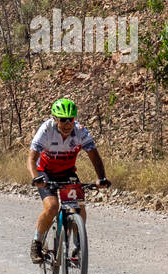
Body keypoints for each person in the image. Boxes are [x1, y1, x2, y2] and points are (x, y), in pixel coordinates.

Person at [27, 98, 110, 263]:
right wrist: (36, 177)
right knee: (52, 207)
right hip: (45, 173)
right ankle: (37, 242)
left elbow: (94, 155)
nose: (67, 123)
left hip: (67, 172)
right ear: (54, 119)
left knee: (79, 206)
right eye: (62, 119)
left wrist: (101, 178)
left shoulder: (80, 131)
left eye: (70, 119)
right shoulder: (46, 129)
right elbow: (31, 158)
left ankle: (78, 245)